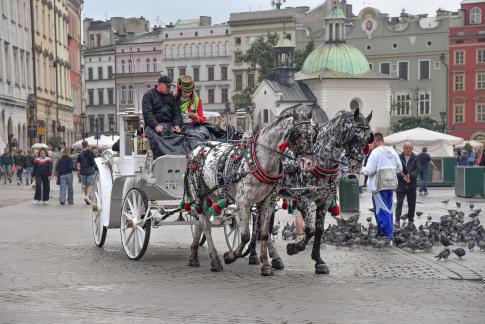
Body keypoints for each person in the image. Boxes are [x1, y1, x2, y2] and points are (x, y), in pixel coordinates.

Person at [361, 132, 402, 241]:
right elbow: (400, 169)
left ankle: (387, 236)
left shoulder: (375, 152)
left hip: (379, 186)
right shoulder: (393, 151)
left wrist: (359, 169)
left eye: (371, 142)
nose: (371, 144)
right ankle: (387, 233)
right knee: (389, 210)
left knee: (381, 211)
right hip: (391, 185)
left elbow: (369, 170)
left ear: (375, 141)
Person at [143, 75, 182, 156]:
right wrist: (156, 125)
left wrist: (177, 125)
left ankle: (178, 158)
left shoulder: (172, 98)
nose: (169, 88)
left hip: (169, 125)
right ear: (159, 85)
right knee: (157, 140)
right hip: (152, 127)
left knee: (179, 138)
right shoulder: (148, 96)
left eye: (169, 87)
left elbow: (177, 114)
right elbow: (147, 113)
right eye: (167, 86)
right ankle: (163, 158)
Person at [395, 142, 420, 226]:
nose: (408, 149)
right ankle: (397, 220)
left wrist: (410, 176)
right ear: (403, 149)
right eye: (406, 148)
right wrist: (402, 175)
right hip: (401, 183)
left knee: (411, 203)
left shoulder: (416, 158)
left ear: (412, 149)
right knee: (399, 203)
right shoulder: (398, 157)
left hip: (411, 184)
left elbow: (418, 169)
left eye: (410, 148)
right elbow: (395, 168)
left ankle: (411, 220)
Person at [77, 141, 97, 205]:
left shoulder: (80, 154)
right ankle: (87, 196)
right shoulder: (91, 153)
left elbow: (78, 164)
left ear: (82, 146)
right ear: (87, 145)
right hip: (91, 171)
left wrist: (79, 172)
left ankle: (87, 199)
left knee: (86, 185)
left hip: (83, 171)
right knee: (91, 184)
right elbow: (95, 162)